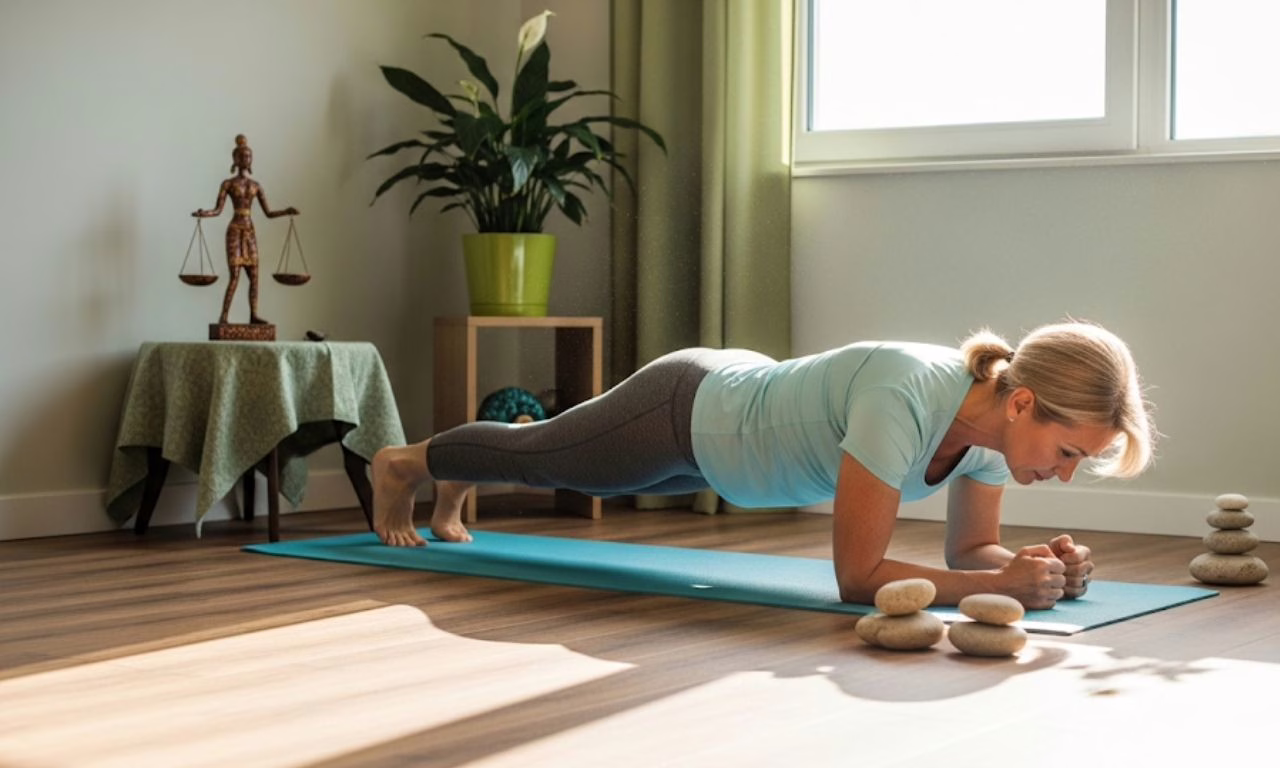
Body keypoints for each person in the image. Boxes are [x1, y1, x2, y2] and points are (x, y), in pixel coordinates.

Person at [372, 320, 1156, 610]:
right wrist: (996, 589)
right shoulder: (906, 397)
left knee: (546, 461)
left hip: (731, 458)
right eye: (1065, 454)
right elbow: (857, 577)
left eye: (1078, 466)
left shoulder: (988, 437)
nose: (1060, 476)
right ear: (1022, 404)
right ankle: (407, 464)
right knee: (547, 458)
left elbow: (968, 554)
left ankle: (456, 481)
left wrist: (1031, 569)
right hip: (689, 413)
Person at [192, 135, 299, 325]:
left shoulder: (255, 186)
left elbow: (268, 212)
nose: (246, 160)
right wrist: (204, 213)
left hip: (249, 232)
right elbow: (218, 210)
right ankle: (224, 317)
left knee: (254, 277)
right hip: (235, 230)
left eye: (249, 156)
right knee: (234, 276)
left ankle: (253, 315)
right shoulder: (228, 184)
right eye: (242, 156)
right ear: (235, 159)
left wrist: (286, 212)